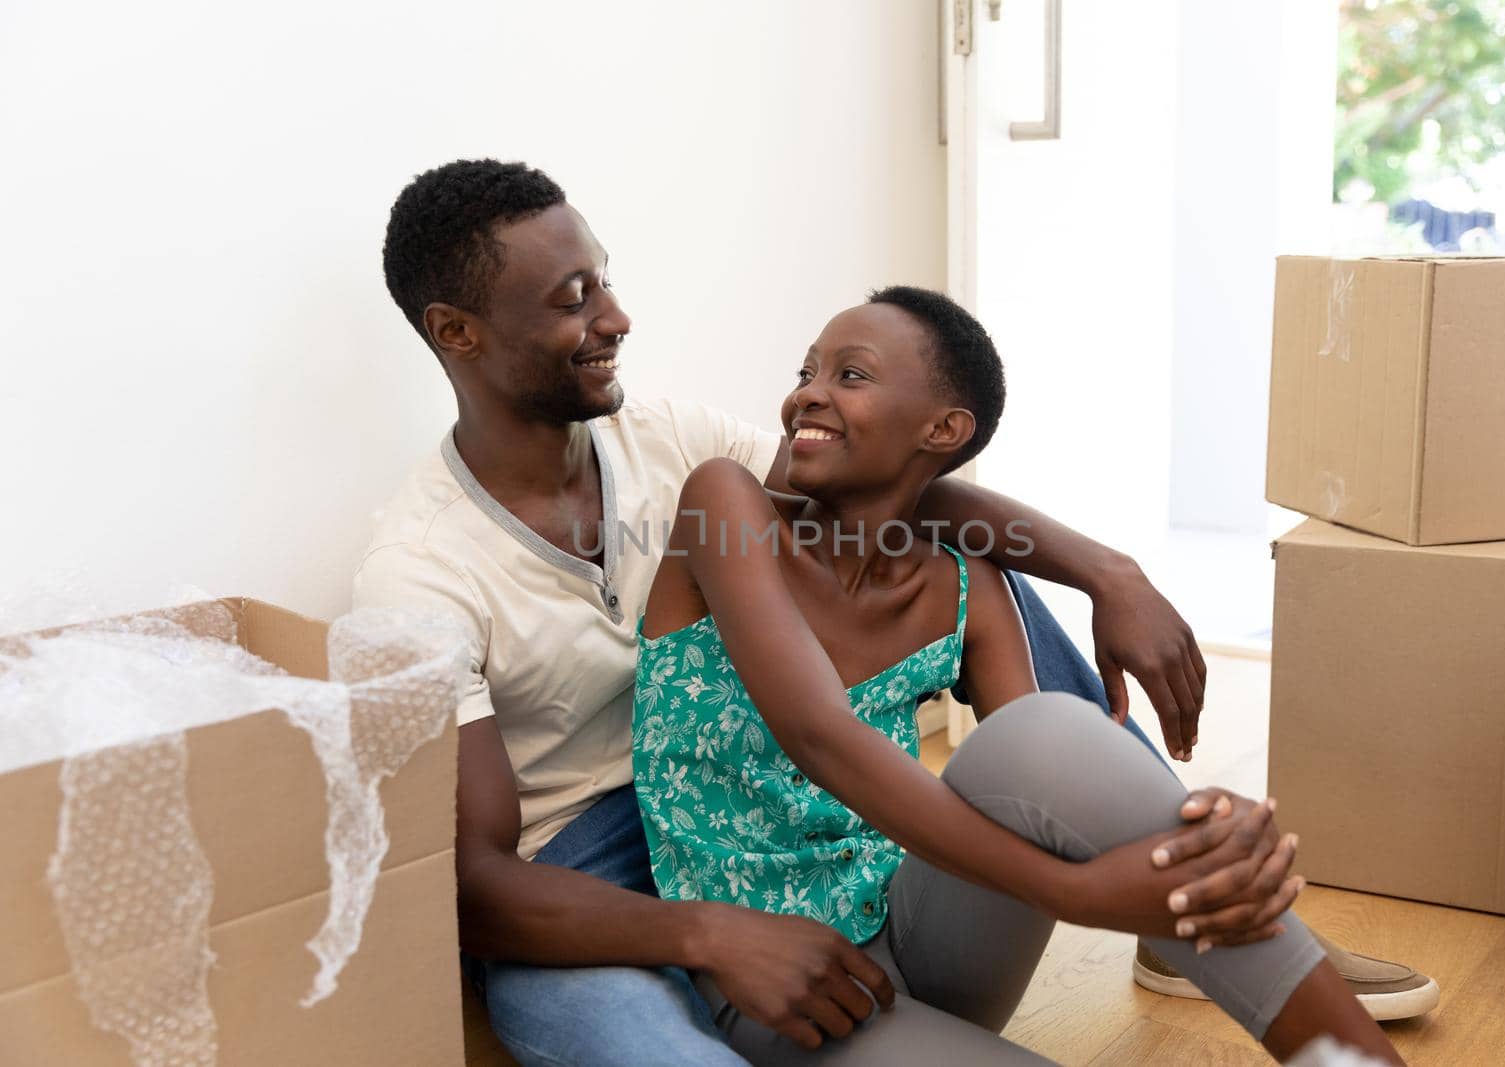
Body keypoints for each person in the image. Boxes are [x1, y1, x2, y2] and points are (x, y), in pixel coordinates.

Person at [353, 159, 1437, 1066]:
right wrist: (710, 926)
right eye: (573, 296)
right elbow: (478, 888)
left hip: (791, 809)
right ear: (458, 331)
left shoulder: (663, 434)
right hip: (585, 880)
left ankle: (1195, 890)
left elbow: (882, 487)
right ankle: (1155, 889)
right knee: (631, 1040)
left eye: (604, 281)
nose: (615, 316)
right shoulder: (418, 572)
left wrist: (1108, 570)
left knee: (1006, 631)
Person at [630, 286, 1402, 1064]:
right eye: (808, 370)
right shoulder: (724, 505)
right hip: (781, 989)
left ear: (943, 429)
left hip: (923, 935)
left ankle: (1349, 1050)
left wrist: (1193, 827)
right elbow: (817, 732)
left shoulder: (965, 587)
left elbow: (1049, 795)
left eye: (850, 375)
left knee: (1048, 729)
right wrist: (1077, 892)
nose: (806, 394)